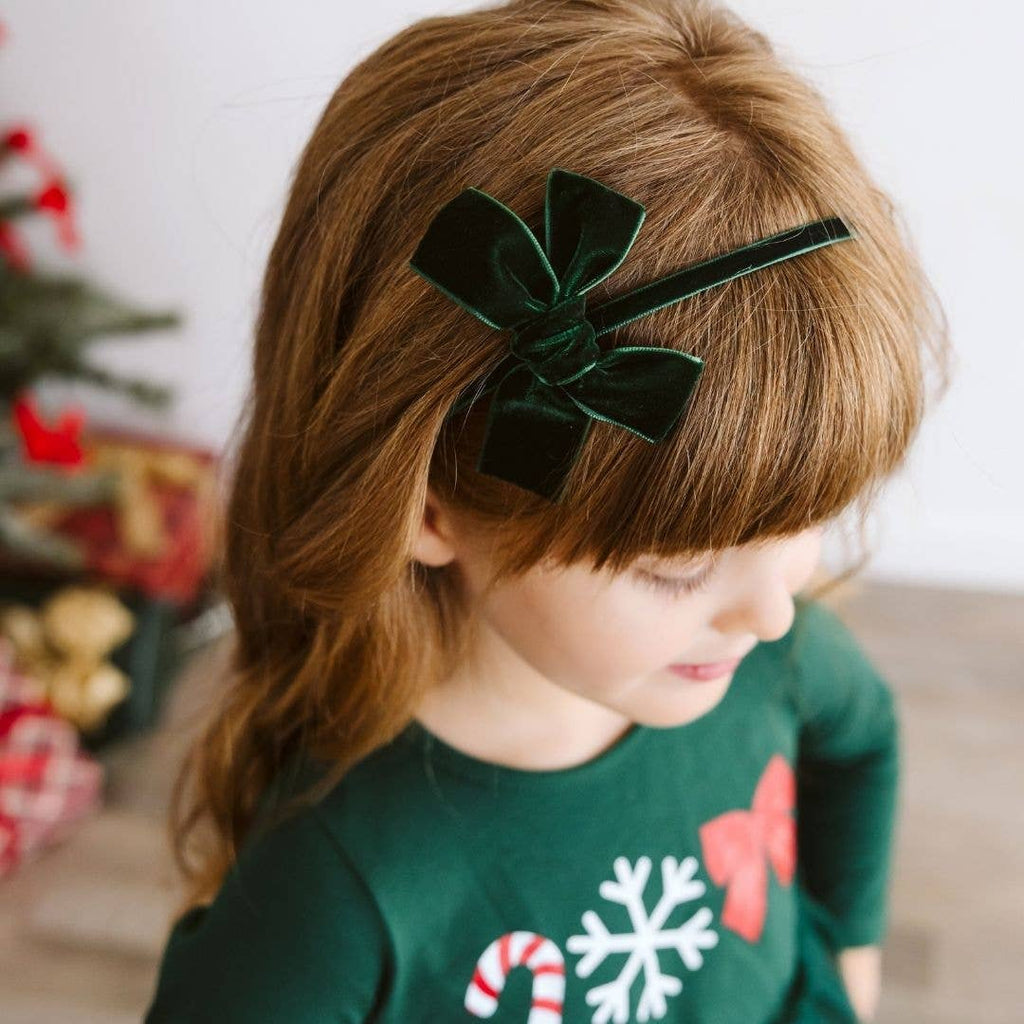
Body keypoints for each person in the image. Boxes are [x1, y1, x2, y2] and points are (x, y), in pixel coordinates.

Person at [143, 0, 953, 1021]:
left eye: (797, 521)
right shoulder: (331, 894)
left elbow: (861, 738)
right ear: (429, 503)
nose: (773, 610)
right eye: (676, 566)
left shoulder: (767, 661)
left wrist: (851, 966)